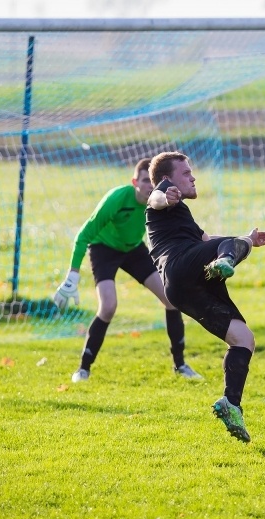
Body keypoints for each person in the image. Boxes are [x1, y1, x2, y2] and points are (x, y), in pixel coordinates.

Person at [145, 151, 265, 443]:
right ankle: (220, 265)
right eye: (186, 173)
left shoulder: (183, 213)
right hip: (181, 268)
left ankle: (231, 404)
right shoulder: (162, 197)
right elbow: (154, 200)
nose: (193, 177)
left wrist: (247, 240)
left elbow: (205, 240)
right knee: (229, 247)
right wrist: (166, 195)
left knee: (244, 338)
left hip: (184, 286)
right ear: (167, 179)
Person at [54, 157, 201, 383]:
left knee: (171, 299)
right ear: (135, 182)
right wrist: (72, 274)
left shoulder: (159, 202)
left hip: (133, 250)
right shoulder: (117, 198)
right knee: (109, 306)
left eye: (151, 181)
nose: (149, 187)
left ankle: (180, 365)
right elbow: (84, 235)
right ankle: (83, 368)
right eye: (144, 181)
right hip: (104, 249)